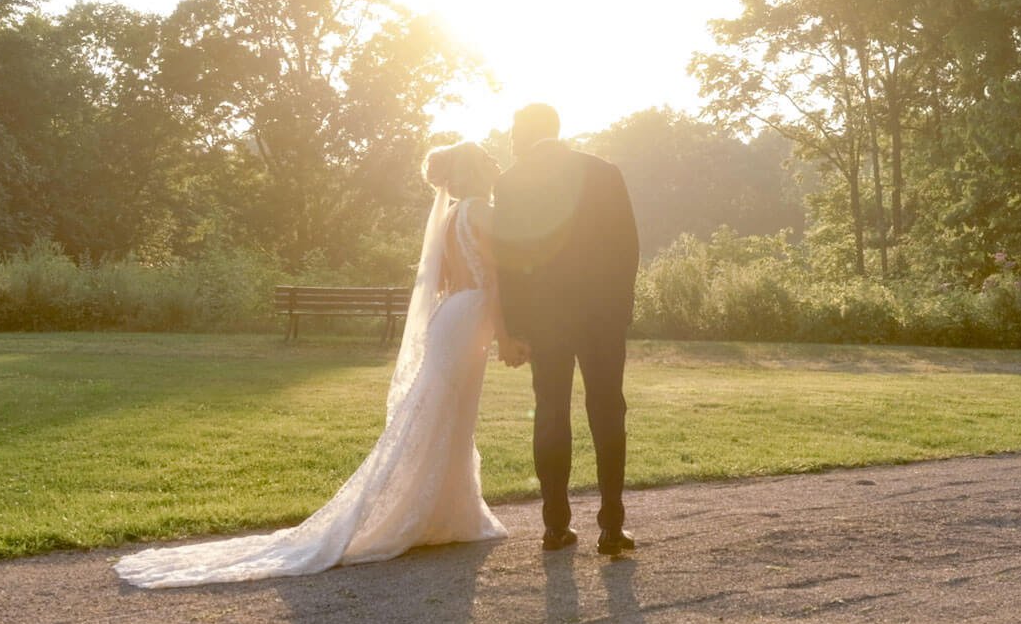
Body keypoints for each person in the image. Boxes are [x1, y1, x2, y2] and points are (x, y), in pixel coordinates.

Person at [114, 143, 516, 587]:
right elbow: (499, 278)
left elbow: (443, 279)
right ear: (475, 168)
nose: (494, 166)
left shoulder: (450, 216)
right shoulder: (481, 212)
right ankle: (432, 514)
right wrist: (508, 334)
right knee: (447, 416)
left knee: (441, 415)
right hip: (471, 315)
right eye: (488, 161)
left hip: (451, 314)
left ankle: (447, 511)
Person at [492, 103, 641, 556]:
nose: (512, 140)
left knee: (551, 411)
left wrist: (515, 328)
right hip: (601, 317)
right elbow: (627, 245)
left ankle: (555, 527)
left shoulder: (511, 181)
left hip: (546, 319)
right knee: (608, 410)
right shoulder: (603, 171)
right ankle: (612, 528)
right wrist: (618, 310)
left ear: (525, 132)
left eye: (515, 131)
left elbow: (509, 261)